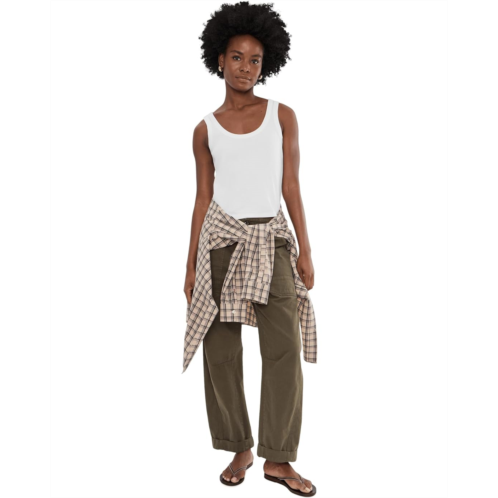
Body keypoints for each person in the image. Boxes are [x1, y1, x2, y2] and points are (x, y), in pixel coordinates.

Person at [183, 2, 317, 495]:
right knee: (220, 350)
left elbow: (291, 186)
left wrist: (304, 249)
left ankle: (278, 459)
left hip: (271, 242)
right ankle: (238, 445)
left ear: (267, 64)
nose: (245, 67)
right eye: (236, 57)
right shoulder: (205, 128)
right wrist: (191, 264)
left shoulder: (283, 116)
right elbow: (202, 199)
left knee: (283, 349)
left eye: (255, 60)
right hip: (219, 242)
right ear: (219, 59)